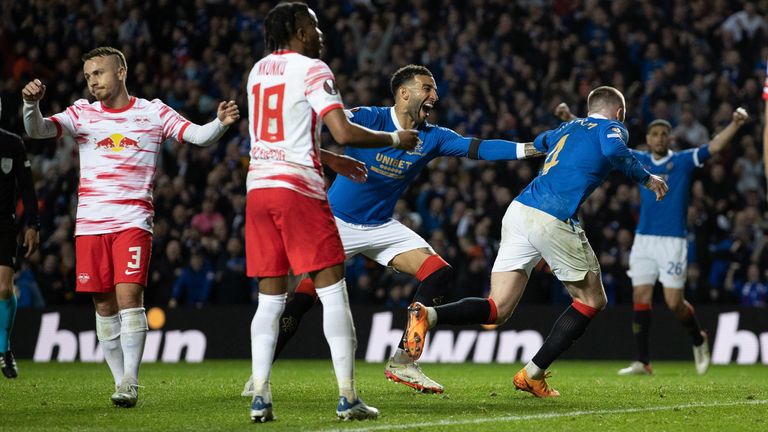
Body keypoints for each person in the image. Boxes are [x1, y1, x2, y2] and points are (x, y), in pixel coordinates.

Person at [242, 63, 546, 396]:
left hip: (381, 226)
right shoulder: (369, 118)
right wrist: (332, 158)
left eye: (434, 89)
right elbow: (312, 125)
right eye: (427, 88)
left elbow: (478, 147)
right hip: (336, 224)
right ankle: (260, 374)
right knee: (303, 300)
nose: (435, 95)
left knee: (438, 273)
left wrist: (529, 148)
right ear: (404, 93)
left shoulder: (433, 137)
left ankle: (404, 360)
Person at [403, 86, 668, 397]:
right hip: (551, 216)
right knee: (591, 301)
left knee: (497, 308)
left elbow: (536, 146)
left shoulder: (565, 128)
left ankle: (429, 315)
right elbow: (612, 151)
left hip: (519, 211)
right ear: (620, 113)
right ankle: (533, 373)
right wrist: (648, 178)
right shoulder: (613, 127)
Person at [21, 46, 240, 407]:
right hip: (90, 225)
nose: (93, 81)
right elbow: (39, 130)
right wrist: (32, 105)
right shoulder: (82, 114)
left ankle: (130, 381)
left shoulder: (152, 112)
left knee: (129, 298)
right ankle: (118, 380)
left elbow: (198, 136)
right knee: (104, 305)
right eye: (89, 75)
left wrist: (220, 123)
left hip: (133, 222)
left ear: (121, 72)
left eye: (100, 73)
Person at [246, 2, 420, 423]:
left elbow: (281, 134)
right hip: (299, 191)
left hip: (259, 189)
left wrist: (329, 158)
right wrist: (394, 139)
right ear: (299, 30)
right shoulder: (313, 68)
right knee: (331, 291)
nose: (320, 32)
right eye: (314, 24)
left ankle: (260, 397)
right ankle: (348, 397)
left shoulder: (257, 71)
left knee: (269, 301)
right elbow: (343, 130)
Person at [557, 103, 748, 375]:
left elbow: (714, 147)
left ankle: (698, 338)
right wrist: (570, 118)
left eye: (663, 133)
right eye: (654, 133)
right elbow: (598, 138)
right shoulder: (638, 158)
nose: (659, 137)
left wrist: (736, 124)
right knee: (641, 297)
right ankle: (643, 362)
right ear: (647, 139)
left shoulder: (681, 161)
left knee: (673, 302)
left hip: (673, 241)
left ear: (669, 138)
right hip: (644, 240)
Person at [0, 97, 40, 379]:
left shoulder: (12, 143)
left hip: (4, 225)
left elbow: (27, 187)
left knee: (3, 289)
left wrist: (33, 224)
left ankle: (4, 350)